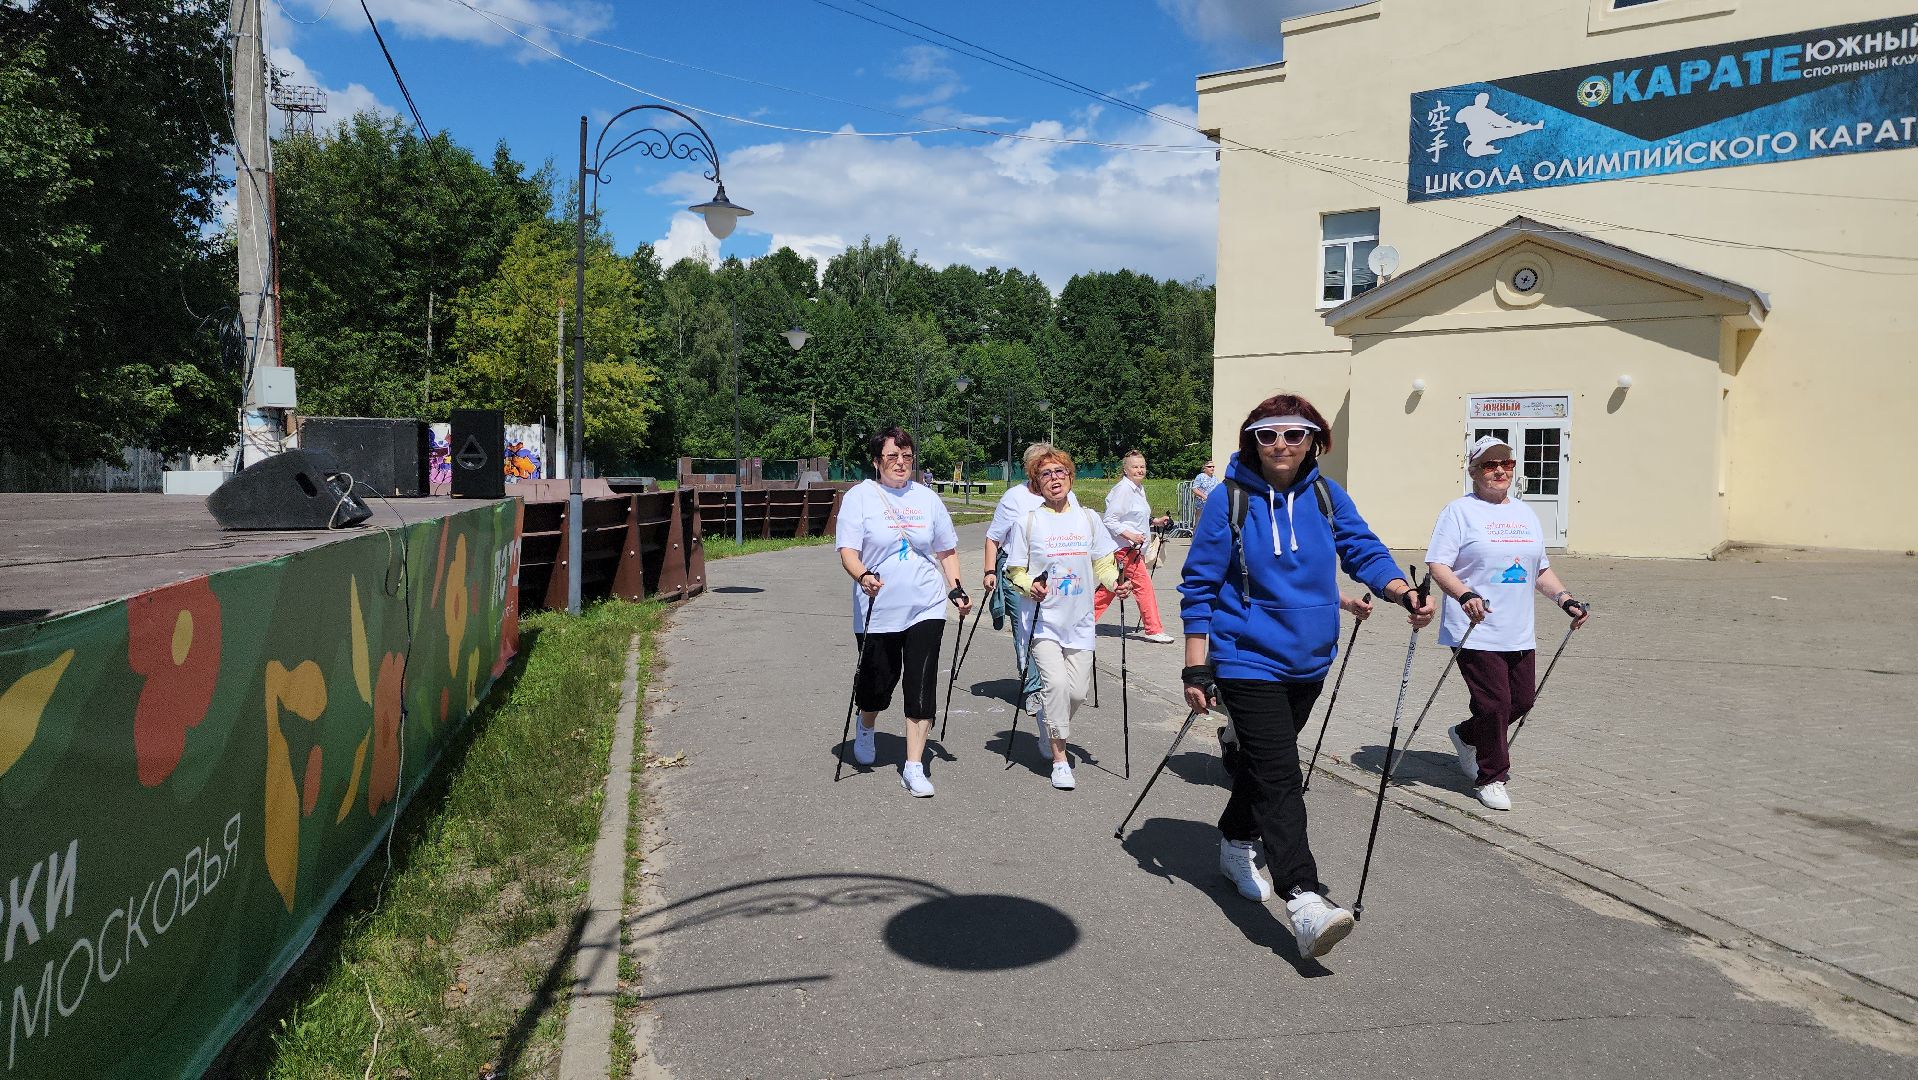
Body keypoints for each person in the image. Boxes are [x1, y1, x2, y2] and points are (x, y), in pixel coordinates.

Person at [1178, 392, 1433, 959]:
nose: (1281, 445)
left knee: (1265, 766)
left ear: (1314, 439)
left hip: (1310, 659)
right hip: (1246, 656)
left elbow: (1361, 548)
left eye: (1294, 433)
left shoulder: (1325, 494)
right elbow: (1198, 585)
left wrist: (1401, 590)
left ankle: (1234, 840)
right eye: (1268, 434)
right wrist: (1196, 665)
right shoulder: (1229, 500)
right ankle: (1305, 899)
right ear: (1252, 440)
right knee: (1282, 772)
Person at [1425, 435, 1589, 812]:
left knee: (1521, 700)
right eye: (1489, 464)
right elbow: (1438, 565)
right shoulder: (1459, 512)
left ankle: (1467, 735)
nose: (1499, 470)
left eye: (1506, 464)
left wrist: (1565, 600)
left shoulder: (1525, 513)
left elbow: (1540, 569)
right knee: (1495, 703)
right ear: (1473, 471)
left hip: (1518, 627)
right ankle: (1492, 775)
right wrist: (1464, 595)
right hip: (1475, 625)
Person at [836, 427, 972, 797]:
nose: (900, 463)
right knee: (877, 682)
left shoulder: (927, 500)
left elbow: (946, 551)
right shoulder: (860, 498)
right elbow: (848, 551)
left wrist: (955, 587)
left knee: (922, 682)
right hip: (877, 607)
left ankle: (914, 765)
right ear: (877, 460)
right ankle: (867, 725)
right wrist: (863, 575)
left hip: (925, 605)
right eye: (893, 456)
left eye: (907, 457)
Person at [1003, 447, 1128, 790]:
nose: (1054, 479)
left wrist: (1115, 583)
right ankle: (1060, 759)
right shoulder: (1028, 522)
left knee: (1077, 693)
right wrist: (1031, 586)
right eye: (1045, 474)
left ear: (1071, 477)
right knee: (1056, 685)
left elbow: (1103, 562)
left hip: (1080, 620)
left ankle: (1049, 719)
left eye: (1060, 472)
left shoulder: (1088, 519)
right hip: (1042, 621)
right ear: (1036, 483)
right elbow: (1013, 571)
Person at [982, 444, 1082, 722]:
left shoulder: (1067, 495)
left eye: (1054, 470)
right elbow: (993, 537)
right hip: (1019, 573)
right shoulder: (1014, 498)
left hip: (1057, 574)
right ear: (1031, 471)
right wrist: (990, 571)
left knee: (1054, 629)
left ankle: (1059, 679)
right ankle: (1034, 688)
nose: (1050, 476)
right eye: (1042, 470)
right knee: (1025, 631)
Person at [1094, 450, 1174, 643]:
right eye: (1135, 467)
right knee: (1144, 586)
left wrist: (1156, 521)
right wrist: (1130, 535)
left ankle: (1081, 621)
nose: (1140, 470)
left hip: (1133, 548)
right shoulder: (1123, 490)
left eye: (1142, 466)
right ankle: (1153, 629)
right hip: (1124, 548)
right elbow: (1110, 520)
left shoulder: (1138, 489)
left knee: (1110, 588)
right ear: (1125, 470)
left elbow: (1135, 516)